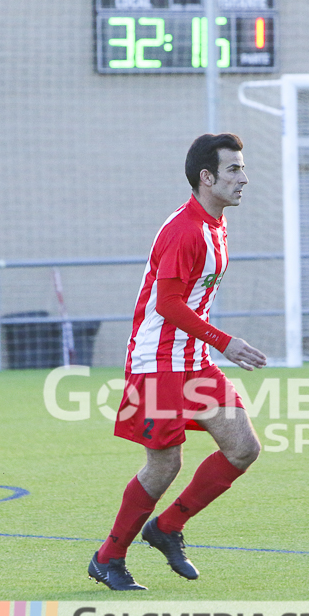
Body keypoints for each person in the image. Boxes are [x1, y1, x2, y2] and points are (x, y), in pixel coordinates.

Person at [88, 133, 268, 590]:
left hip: (192, 361)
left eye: (242, 168)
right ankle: (108, 558)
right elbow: (167, 303)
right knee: (164, 464)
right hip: (157, 364)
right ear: (206, 178)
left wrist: (212, 346)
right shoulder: (185, 230)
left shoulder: (214, 224)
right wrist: (224, 341)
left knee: (243, 447)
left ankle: (166, 528)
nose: (244, 178)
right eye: (234, 169)